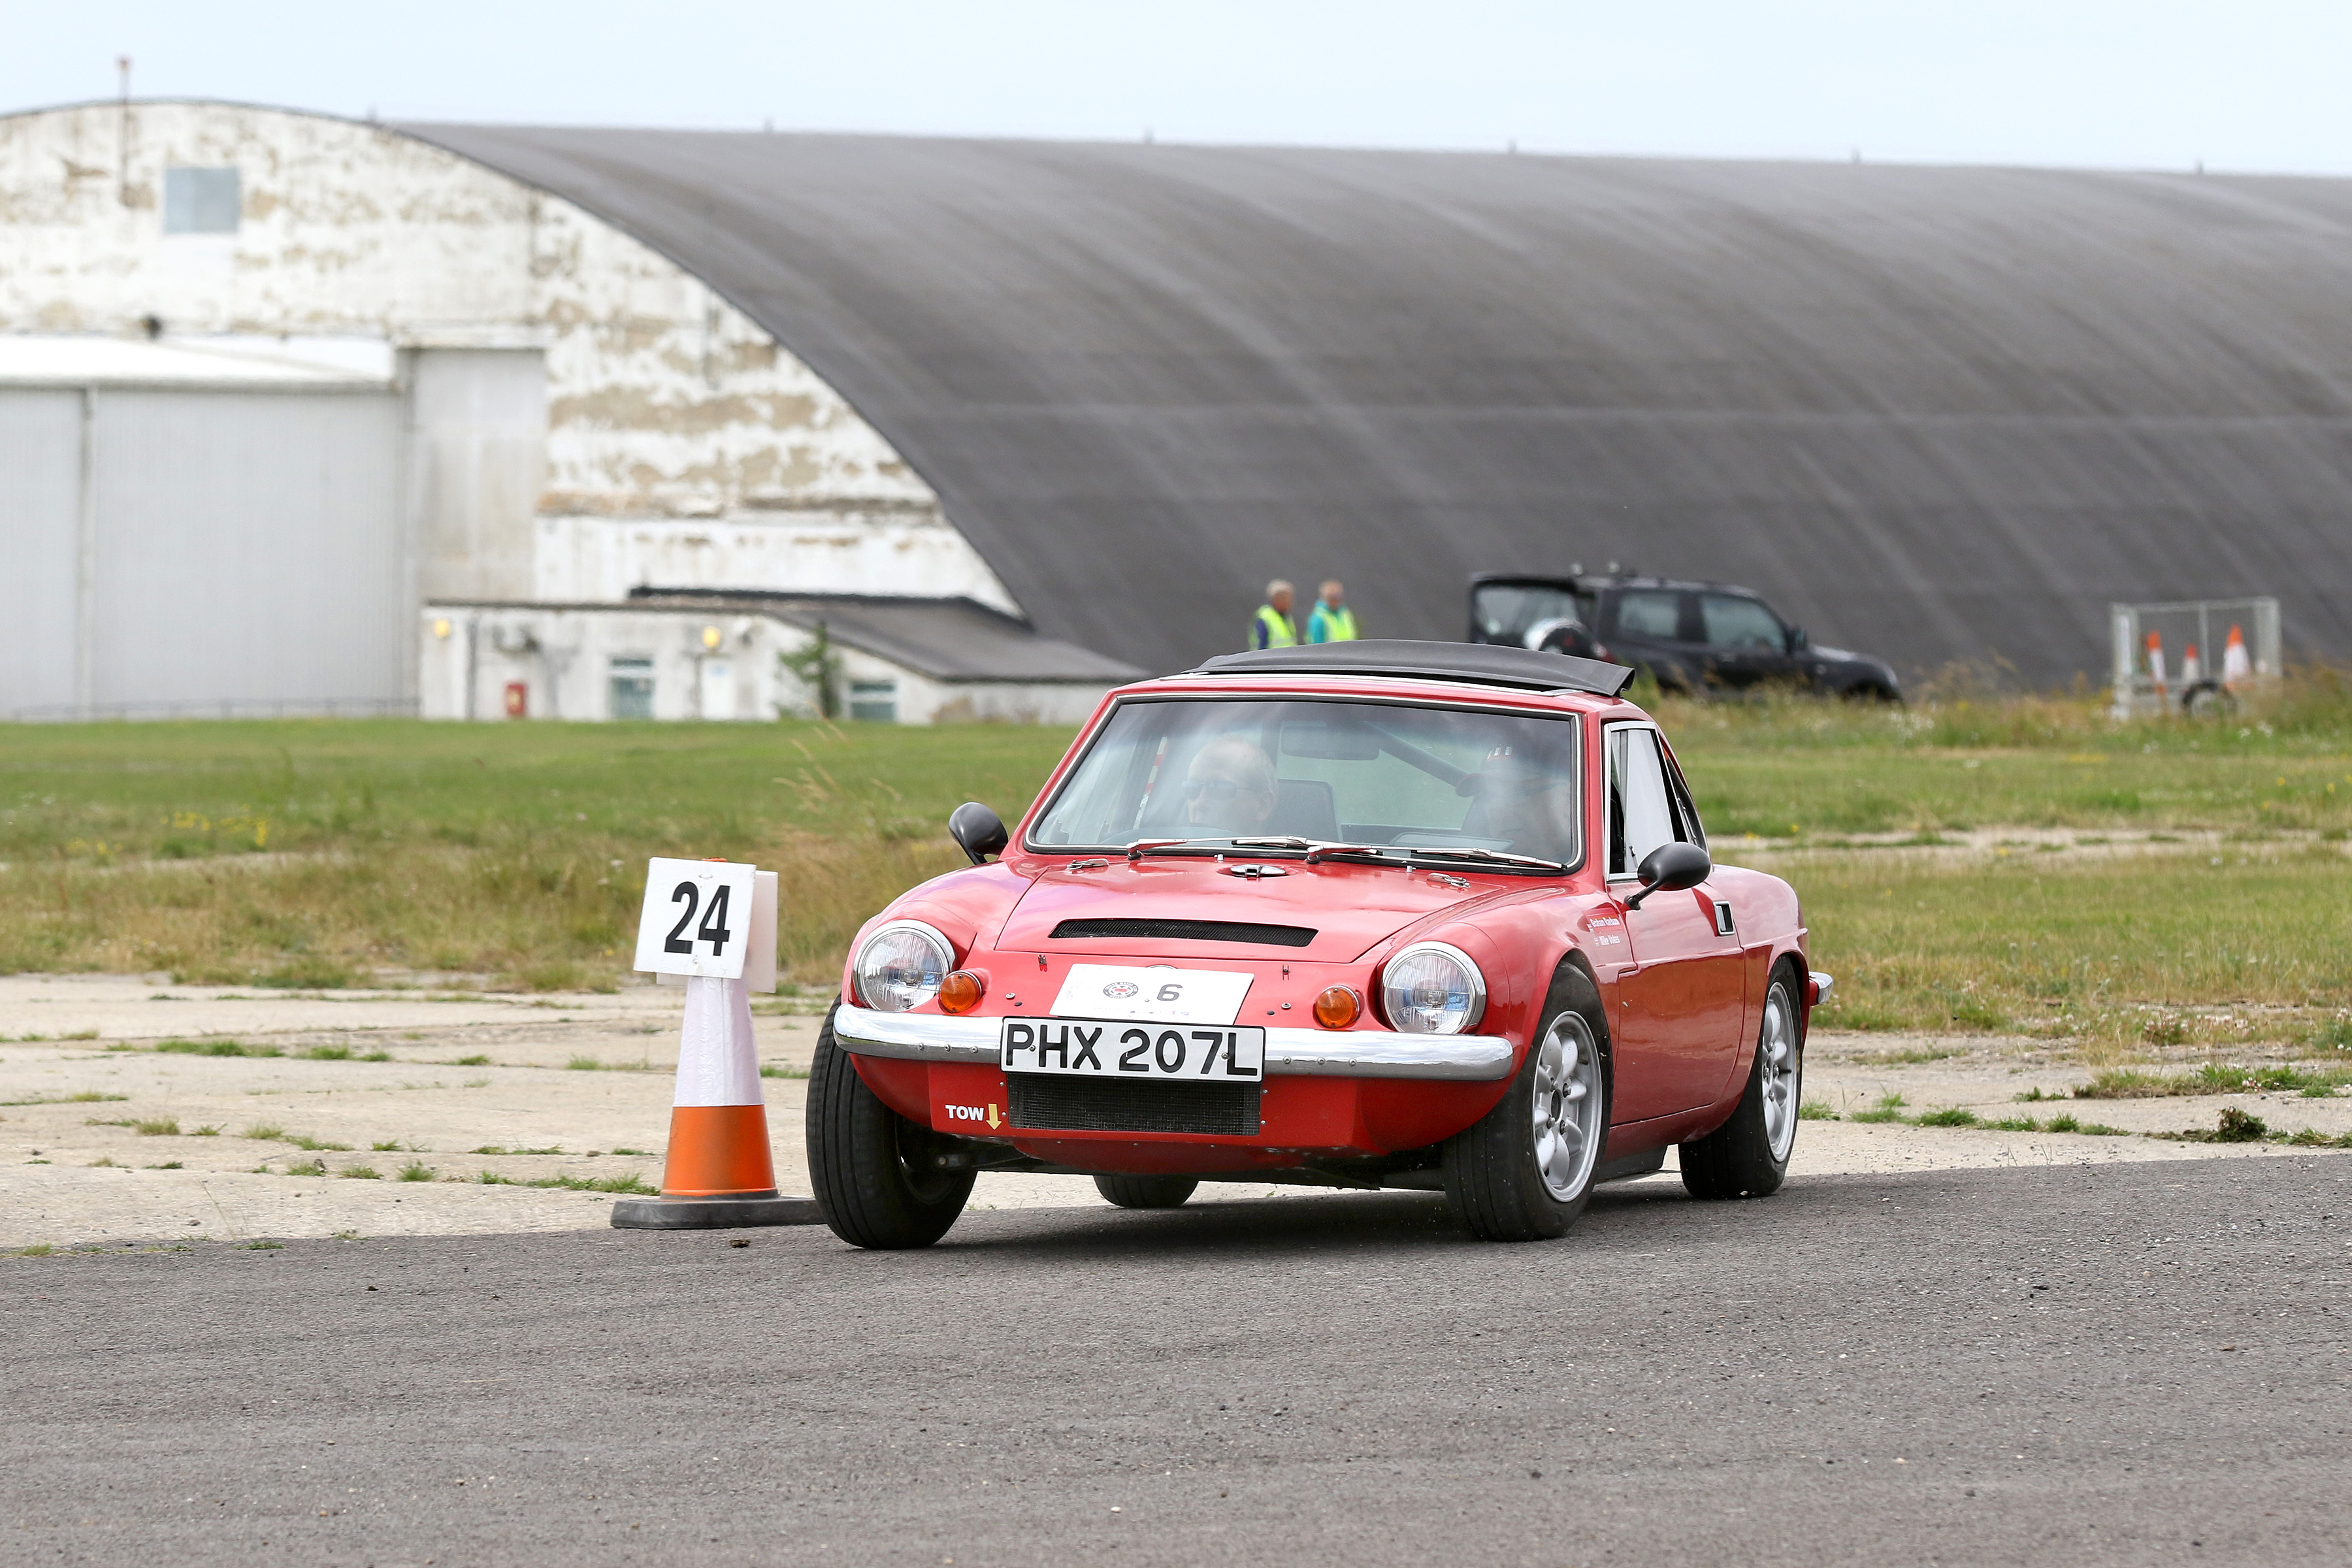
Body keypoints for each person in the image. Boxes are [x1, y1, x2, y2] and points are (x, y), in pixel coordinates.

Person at [1182, 736, 1277, 834]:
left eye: (1219, 789)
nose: (1200, 804)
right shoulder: (1169, 846)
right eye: (1192, 788)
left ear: (1263, 805)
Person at [1249, 580, 1298, 650]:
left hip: (1286, 659)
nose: (1291, 602)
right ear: (1278, 599)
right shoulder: (1265, 618)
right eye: (1287, 598)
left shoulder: (1286, 618)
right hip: (1271, 660)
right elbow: (1260, 646)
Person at [1307, 580, 1358, 644]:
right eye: (1332, 597)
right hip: (1329, 653)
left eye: (1338, 596)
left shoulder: (1345, 614)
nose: (1335, 600)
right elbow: (1316, 643)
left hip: (1349, 652)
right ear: (1325, 598)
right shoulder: (1319, 617)